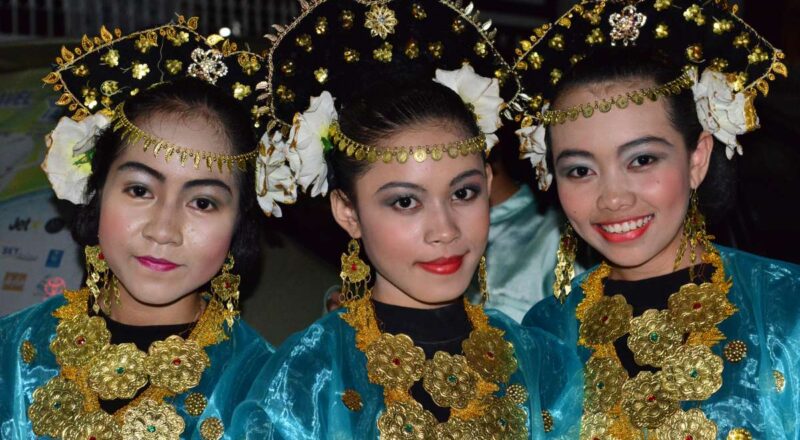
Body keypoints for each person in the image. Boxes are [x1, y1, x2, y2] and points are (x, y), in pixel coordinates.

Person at [232, 1, 583, 438]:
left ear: (489, 184)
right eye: (404, 202)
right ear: (348, 212)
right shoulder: (305, 378)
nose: (445, 230)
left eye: (463, 193)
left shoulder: (543, 363)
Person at [513, 1, 800, 438]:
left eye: (642, 160)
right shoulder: (546, 330)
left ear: (697, 159)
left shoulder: (785, 306)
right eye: (580, 170)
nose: (613, 198)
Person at [0, 17, 276, 439]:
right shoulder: (11, 349)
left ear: (240, 221)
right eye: (140, 190)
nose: (163, 230)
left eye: (202, 202)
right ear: (97, 190)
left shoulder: (268, 388)